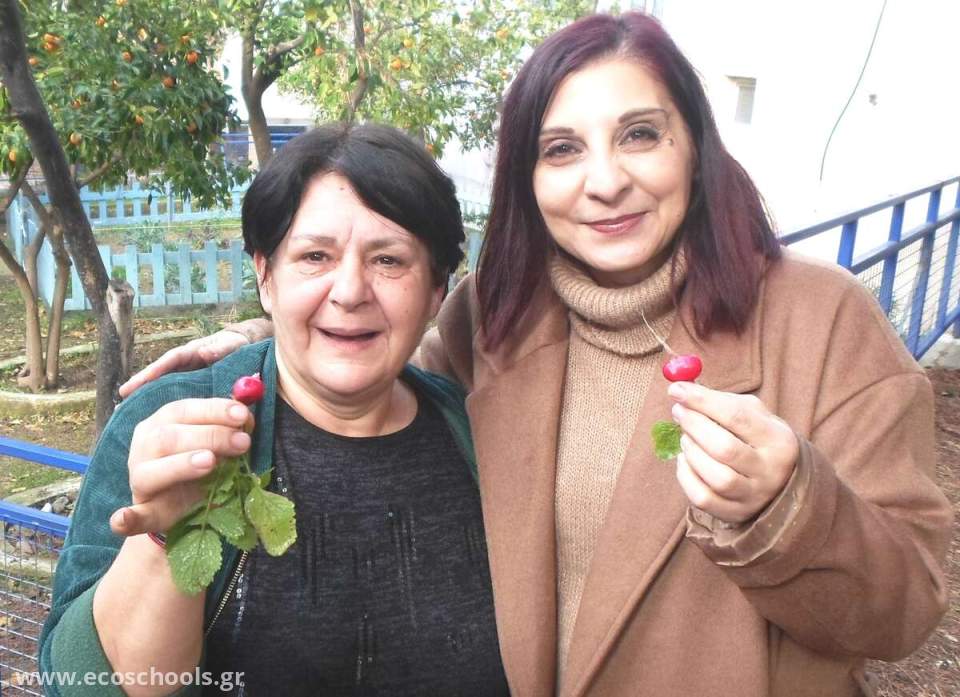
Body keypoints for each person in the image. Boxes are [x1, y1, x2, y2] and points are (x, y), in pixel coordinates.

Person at [119, 12, 952, 697]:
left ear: (696, 148)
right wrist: (261, 337)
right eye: (562, 149)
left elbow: (906, 607)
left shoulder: (823, 322)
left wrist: (789, 505)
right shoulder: (499, 314)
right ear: (526, 177)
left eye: (640, 135)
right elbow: (382, 352)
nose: (605, 181)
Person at [39, 124, 512, 697]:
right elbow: (79, 682)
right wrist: (163, 539)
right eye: (315, 256)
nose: (350, 291)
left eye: (389, 260)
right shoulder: (171, 427)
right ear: (266, 277)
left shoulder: (478, 434)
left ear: (437, 290)